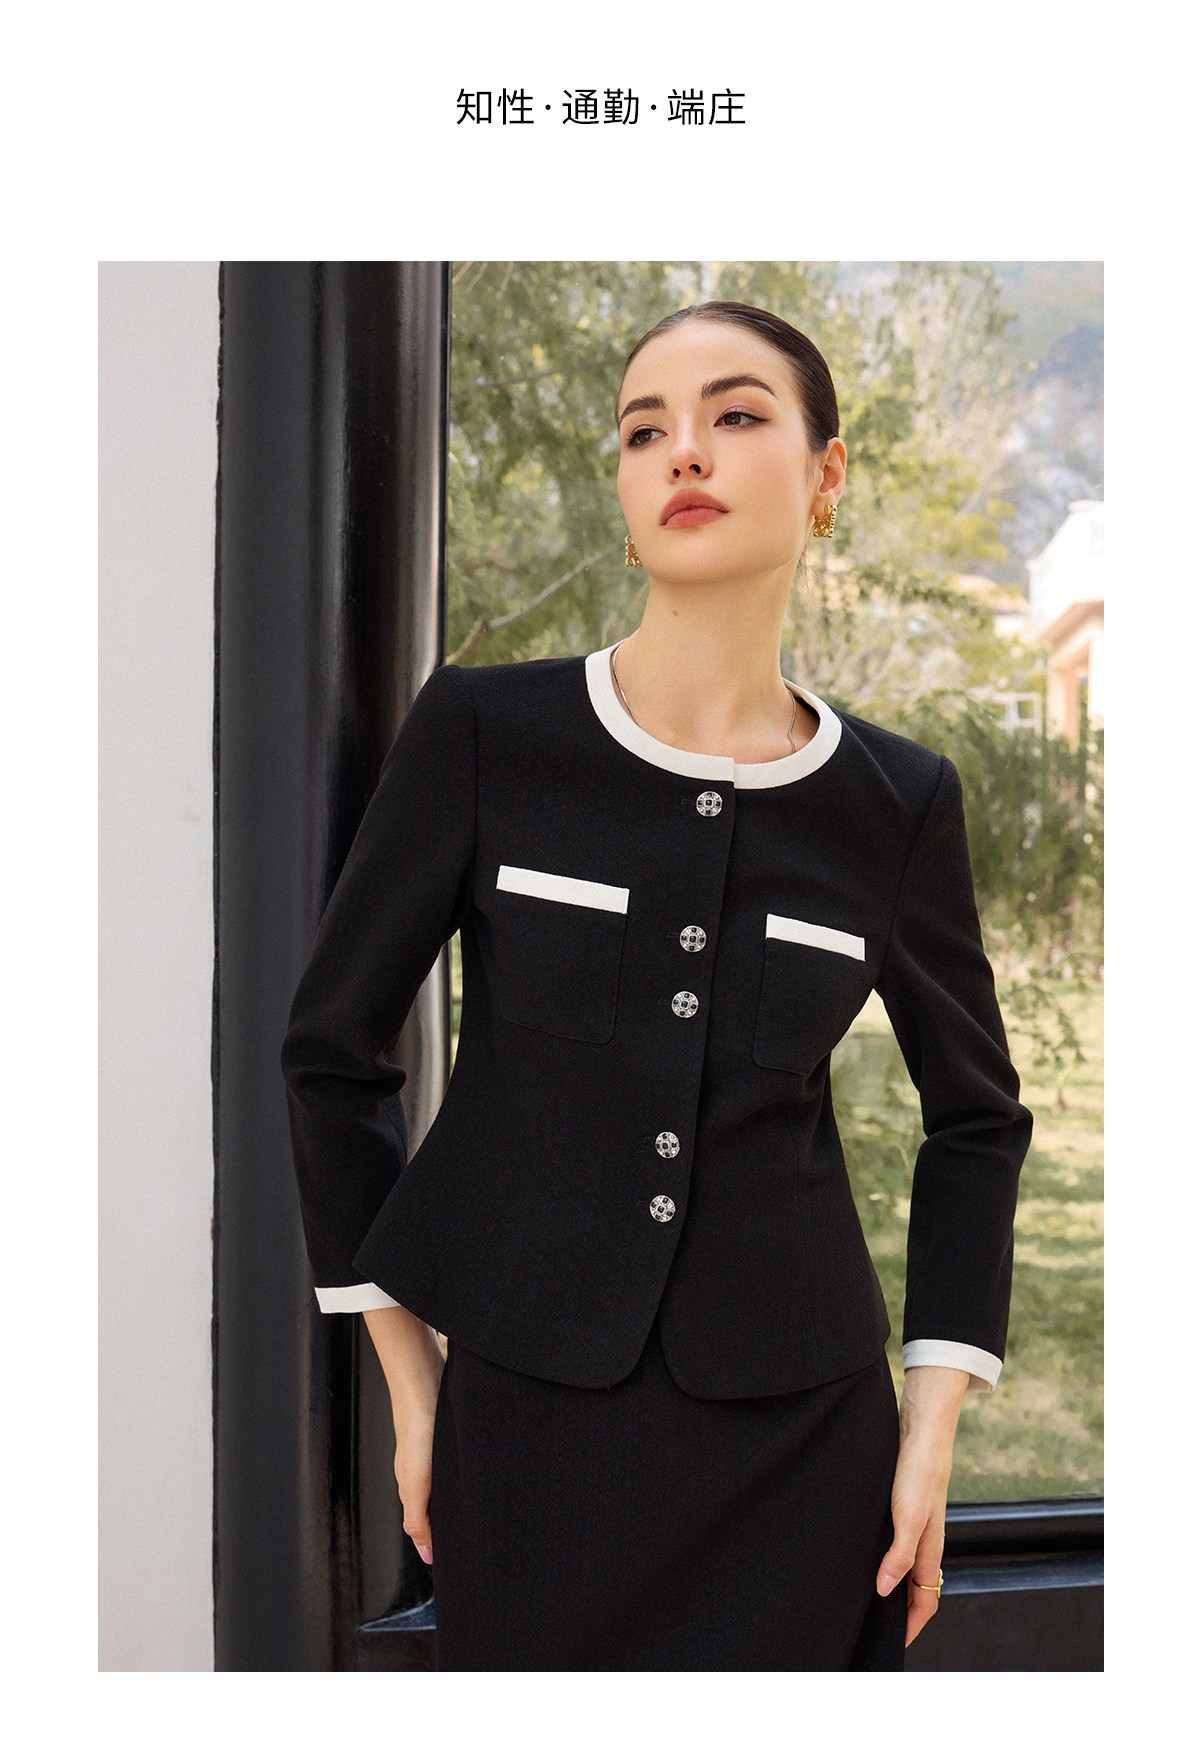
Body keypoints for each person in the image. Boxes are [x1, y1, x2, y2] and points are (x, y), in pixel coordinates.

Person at [281, 300, 1033, 1671]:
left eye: (735, 414)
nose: (684, 449)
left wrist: (930, 1424)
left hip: (810, 1449)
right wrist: (412, 1377)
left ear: (826, 474)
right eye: (645, 430)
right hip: (527, 1434)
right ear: (627, 493)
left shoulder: (898, 803)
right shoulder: (487, 734)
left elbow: (979, 1117)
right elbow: (331, 1055)